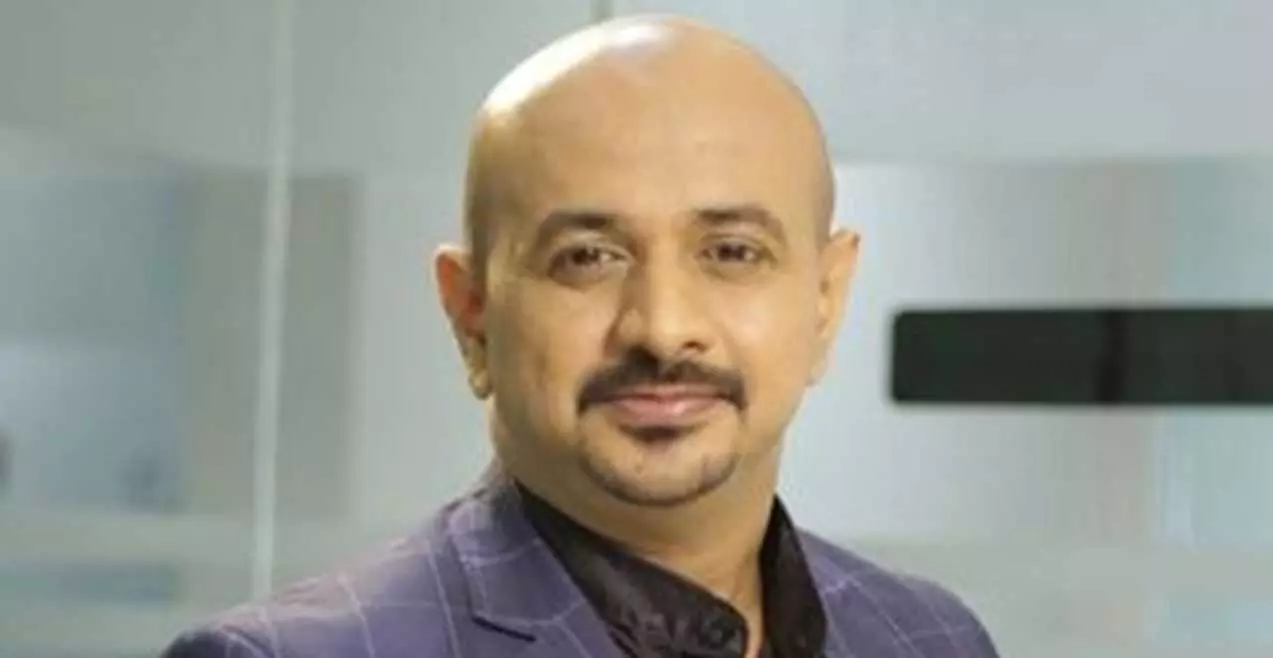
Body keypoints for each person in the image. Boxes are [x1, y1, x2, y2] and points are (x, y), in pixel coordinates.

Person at [161, 14, 999, 658]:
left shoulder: (928, 638)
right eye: (588, 258)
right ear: (471, 315)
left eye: (732, 252)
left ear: (825, 299)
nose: (663, 328)